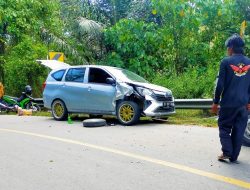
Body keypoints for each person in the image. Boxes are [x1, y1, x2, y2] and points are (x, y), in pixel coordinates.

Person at [211, 34, 250, 163]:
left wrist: (215, 102)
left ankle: (227, 152)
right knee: (239, 130)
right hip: (244, 105)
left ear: (231, 48)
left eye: (228, 47)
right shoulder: (249, 63)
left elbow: (220, 84)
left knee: (224, 127)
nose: (227, 50)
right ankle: (234, 157)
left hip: (228, 104)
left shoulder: (226, 62)